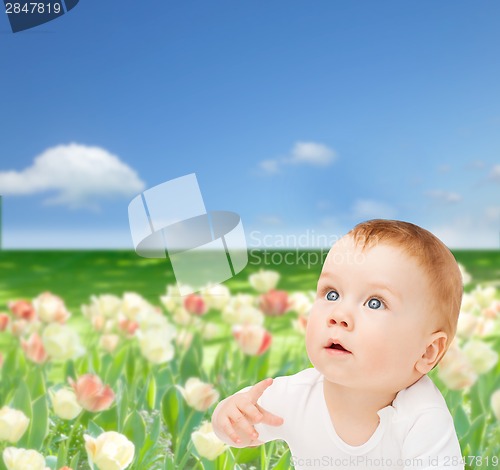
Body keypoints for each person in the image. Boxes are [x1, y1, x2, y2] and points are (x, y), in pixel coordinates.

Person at [211, 219, 465, 470]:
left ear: (427, 352)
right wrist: (229, 418)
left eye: (375, 303)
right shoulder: (297, 395)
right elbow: (235, 427)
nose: (339, 314)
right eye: (332, 294)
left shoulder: (422, 417)